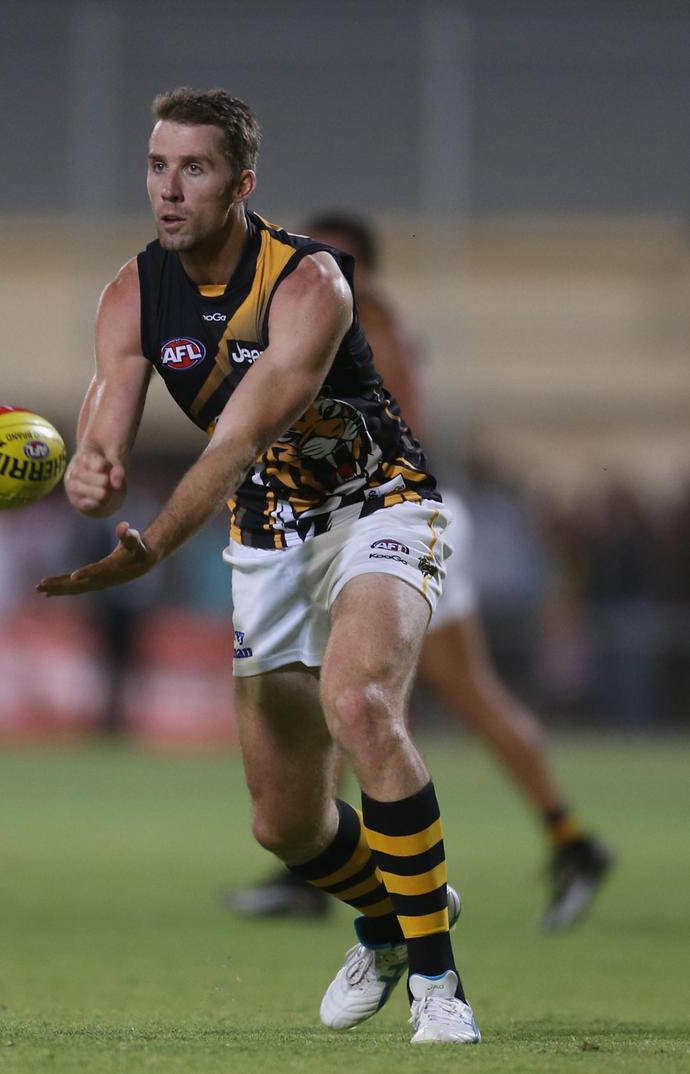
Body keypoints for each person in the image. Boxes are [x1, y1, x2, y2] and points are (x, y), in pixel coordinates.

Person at [37, 88, 480, 1044]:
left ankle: (440, 991)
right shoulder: (131, 293)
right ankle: (397, 919)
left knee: (360, 703)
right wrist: (92, 470)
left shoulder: (309, 282)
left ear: (241, 184)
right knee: (285, 825)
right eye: (157, 166)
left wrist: (151, 546)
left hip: (377, 505)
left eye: (192, 169)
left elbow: (236, 441)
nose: (168, 189)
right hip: (269, 533)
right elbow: (111, 408)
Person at [222, 213, 612, 932]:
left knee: (381, 693)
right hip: (378, 517)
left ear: (358, 267)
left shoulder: (369, 326)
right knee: (362, 691)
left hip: (390, 518)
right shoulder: (342, 323)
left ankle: (565, 843)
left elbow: (395, 431)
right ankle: (564, 841)